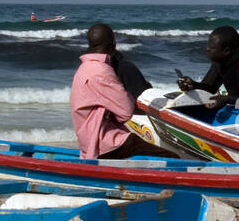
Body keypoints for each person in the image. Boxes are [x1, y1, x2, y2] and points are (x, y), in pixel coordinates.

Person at [71, 24, 177, 160]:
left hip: (87, 142)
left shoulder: (83, 68)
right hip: (107, 142)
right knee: (171, 158)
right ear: (113, 44)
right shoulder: (103, 70)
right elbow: (127, 111)